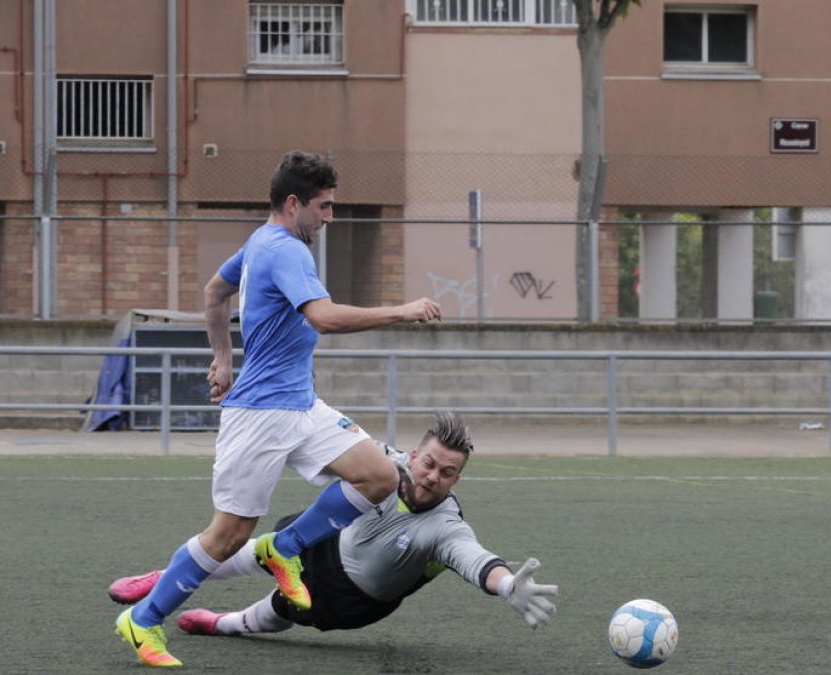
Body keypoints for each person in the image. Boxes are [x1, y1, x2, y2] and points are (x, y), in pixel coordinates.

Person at [116, 150, 443, 667]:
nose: (330, 217)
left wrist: (223, 359)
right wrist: (401, 311)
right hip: (261, 415)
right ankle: (143, 619)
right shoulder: (287, 249)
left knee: (380, 476)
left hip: (301, 406)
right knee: (226, 537)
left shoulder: (259, 241)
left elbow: (214, 292)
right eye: (325, 206)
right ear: (294, 204)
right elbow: (324, 318)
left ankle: (284, 546)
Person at [109, 411, 559, 640]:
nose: (432, 477)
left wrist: (506, 586)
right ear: (414, 455)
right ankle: (164, 580)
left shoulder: (446, 526)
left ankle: (222, 623)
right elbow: (325, 444)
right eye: (429, 463)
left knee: (278, 614)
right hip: (325, 547)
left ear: (457, 479)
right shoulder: (387, 464)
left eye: (447, 473)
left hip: (354, 598)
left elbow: (476, 560)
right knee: (275, 540)